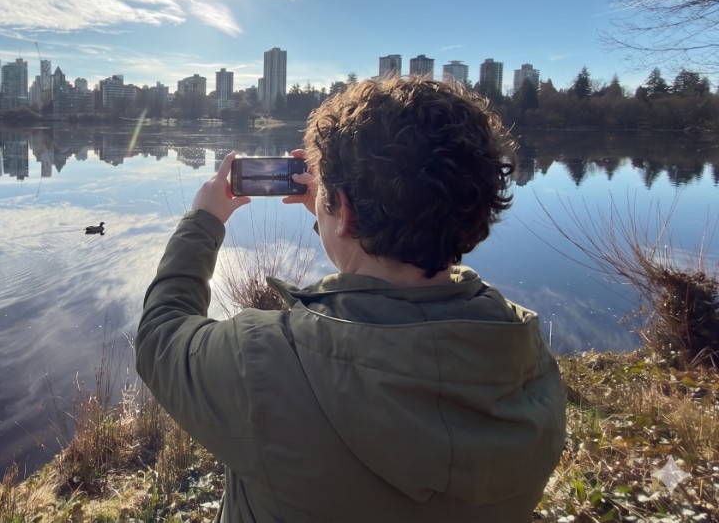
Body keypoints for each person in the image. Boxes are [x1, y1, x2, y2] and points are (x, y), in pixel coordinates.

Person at [136, 77, 566, 522]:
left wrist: (204, 220)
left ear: (346, 207)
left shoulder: (266, 362)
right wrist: (336, 215)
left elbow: (160, 336)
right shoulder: (528, 366)